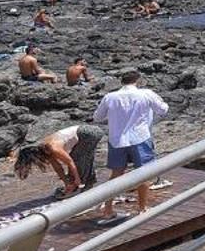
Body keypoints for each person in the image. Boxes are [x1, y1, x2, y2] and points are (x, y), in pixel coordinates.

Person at [93, 69, 169, 220]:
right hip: (140, 138)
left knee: (116, 175)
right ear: (138, 81)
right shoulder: (145, 93)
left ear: (121, 82)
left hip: (117, 140)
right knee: (143, 173)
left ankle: (108, 209)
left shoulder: (110, 97)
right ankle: (142, 208)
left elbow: (97, 117)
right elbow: (163, 110)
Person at [12, 123, 104, 196]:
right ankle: (82, 183)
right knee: (82, 157)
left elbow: (70, 162)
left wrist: (77, 179)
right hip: (85, 134)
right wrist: (66, 183)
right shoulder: (45, 151)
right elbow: (58, 168)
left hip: (90, 132)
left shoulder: (52, 148)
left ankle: (82, 185)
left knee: (78, 158)